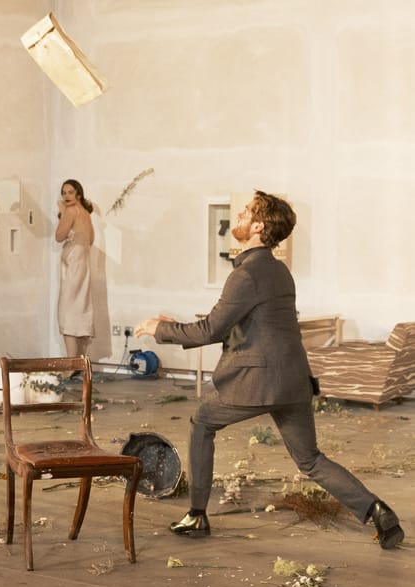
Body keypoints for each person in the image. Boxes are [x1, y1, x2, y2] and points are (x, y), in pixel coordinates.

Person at [134, 190, 404, 549]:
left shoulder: (246, 275)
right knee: (310, 460)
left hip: (258, 383)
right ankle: (377, 511)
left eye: (245, 212)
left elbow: (210, 330)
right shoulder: (278, 271)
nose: (239, 217)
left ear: (259, 225)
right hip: (293, 382)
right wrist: (176, 324)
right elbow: (245, 326)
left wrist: (159, 329)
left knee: (203, 422)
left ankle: (197, 515)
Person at [56, 179, 94, 360]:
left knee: (68, 310)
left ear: (78, 194)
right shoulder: (85, 213)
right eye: (63, 193)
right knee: (81, 308)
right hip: (82, 264)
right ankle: (81, 359)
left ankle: (71, 363)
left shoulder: (71, 212)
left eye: (70, 192)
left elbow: (59, 236)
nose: (66, 196)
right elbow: (91, 239)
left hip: (73, 265)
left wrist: (63, 212)